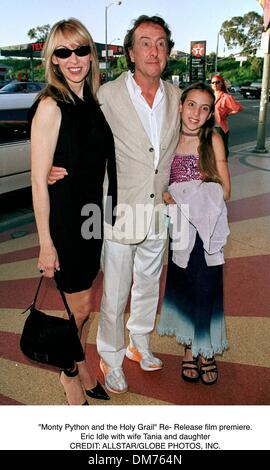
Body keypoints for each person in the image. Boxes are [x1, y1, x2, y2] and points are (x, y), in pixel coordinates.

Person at [49, 15, 181, 394]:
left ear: (167, 52)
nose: (153, 50)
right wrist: (49, 168)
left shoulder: (175, 95)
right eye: (145, 42)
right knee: (116, 291)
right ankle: (111, 355)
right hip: (118, 210)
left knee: (148, 285)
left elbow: (182, 146)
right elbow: (73, 131)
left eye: (160, 43)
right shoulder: (106, 95)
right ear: (130, 52)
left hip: (157, 212)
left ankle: (140, 344)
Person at [30, 18, 117, 404]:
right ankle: (69, 373)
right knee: (79, 305)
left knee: (84, 301)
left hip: (90, 217)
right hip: (66, 220)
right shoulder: (51, 104)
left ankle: (79, 361)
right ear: (53, 59)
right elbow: (36, 180)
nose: (74, 58)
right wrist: (45, 244)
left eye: (81, 49)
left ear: (90, 54)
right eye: (63, 52)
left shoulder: (90, 101)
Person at [157, 82, 230, 385]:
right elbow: (160, 185)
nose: (196, 113)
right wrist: (167, 196)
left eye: (204, 108)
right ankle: (190, 347)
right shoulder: (169, 139)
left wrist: (191, 196)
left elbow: (225, 190)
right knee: (185, 285)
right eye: (191, 105)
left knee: (207, 287)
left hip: (207, 232)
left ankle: (207, 349)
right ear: (180, 105)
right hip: (181, 233)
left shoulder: (212, 138)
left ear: (210, 113)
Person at [211, 74, 243, 159]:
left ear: (221, 83)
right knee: (211, 149)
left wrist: (228, 114)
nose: (215, 84)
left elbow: (239, 108)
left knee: (222, 150)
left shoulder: (226, 97)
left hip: (219, 127)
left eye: (217, 82)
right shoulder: (209, 96)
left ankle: (222, 167)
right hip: (209, 127)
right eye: (213, 82)